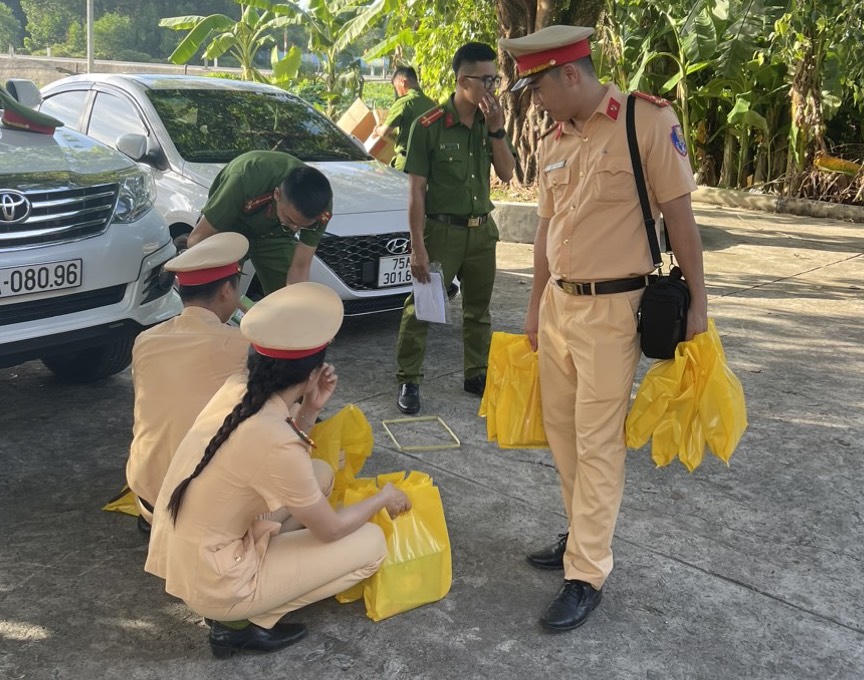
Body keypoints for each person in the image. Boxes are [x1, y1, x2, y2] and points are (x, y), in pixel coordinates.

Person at [500, 25, 708, 631]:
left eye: (537, 86)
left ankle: (586, 571)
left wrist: (699, 303)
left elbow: (681, 219)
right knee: (562, 432)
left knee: (597, 441)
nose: (533, 100)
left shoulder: (643, 121)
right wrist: (536, 304)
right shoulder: (552, 140)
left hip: (617, 311)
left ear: (570, 73)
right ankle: (579, 533)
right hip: (561, 308)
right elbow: (545, 231)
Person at [145, 282, 411, 658]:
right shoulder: (272, 434)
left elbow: (282, 461)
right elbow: (330, 529)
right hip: (218, 579)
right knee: (372, 544)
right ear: (313, 372)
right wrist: (384, 496)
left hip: (195, 554)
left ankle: (248, 600)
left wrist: (310, 411)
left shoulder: (240, 390)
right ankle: (243, 624)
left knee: (319, 473)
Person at [395, 42, 516, 414]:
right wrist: (418, 247)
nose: (492, 88)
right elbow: (416, 191)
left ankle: (475, 374)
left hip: (482, 232)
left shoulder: (489, 123)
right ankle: (409, 380)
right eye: (486, 80)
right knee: (422, 308)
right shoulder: (427, 126)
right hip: (441, 231)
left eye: (495, 79)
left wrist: (496, 132)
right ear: (464, 80)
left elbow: (508, 173)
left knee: (478, 311)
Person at [127, 232, 251, 531]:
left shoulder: (145, 341)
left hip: (149, 501)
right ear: (226, 291)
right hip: (204, 513)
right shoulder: (241, 345)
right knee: (317, 471)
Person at [186, 151, 333, 296]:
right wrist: (223, 281)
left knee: (288, 296)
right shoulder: (245, 177)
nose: (294, 228)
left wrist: (293, 303)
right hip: (231, 227)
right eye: (290, 220)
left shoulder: (320, 208)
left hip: (275, 235)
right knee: (218, 296)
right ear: (277, 194)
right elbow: (197, 239)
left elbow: (300, 267)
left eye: (302, 227)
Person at [373, 66, 436, 171]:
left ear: (402, 82)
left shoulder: (404, 102)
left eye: (396, 87)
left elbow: (384, 132)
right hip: (427, 165)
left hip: (407, 164)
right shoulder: (432, 105)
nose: (397, 91)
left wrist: (377, 130)